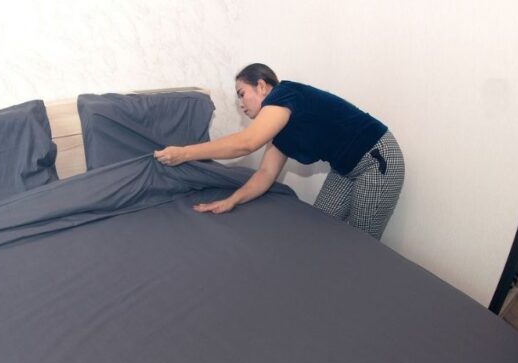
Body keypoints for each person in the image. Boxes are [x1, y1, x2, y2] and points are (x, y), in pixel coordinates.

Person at [154, 63, 405, 240]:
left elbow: (246, 143)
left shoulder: (286, 94)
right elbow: (265, 173)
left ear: (262, 86)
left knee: (361, 241)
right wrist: (231, 200)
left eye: (242, 94)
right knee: (321, 224)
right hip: (346, 167)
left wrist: (185, 153)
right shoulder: (279, 129)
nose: (241, 105)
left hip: (376, 159)